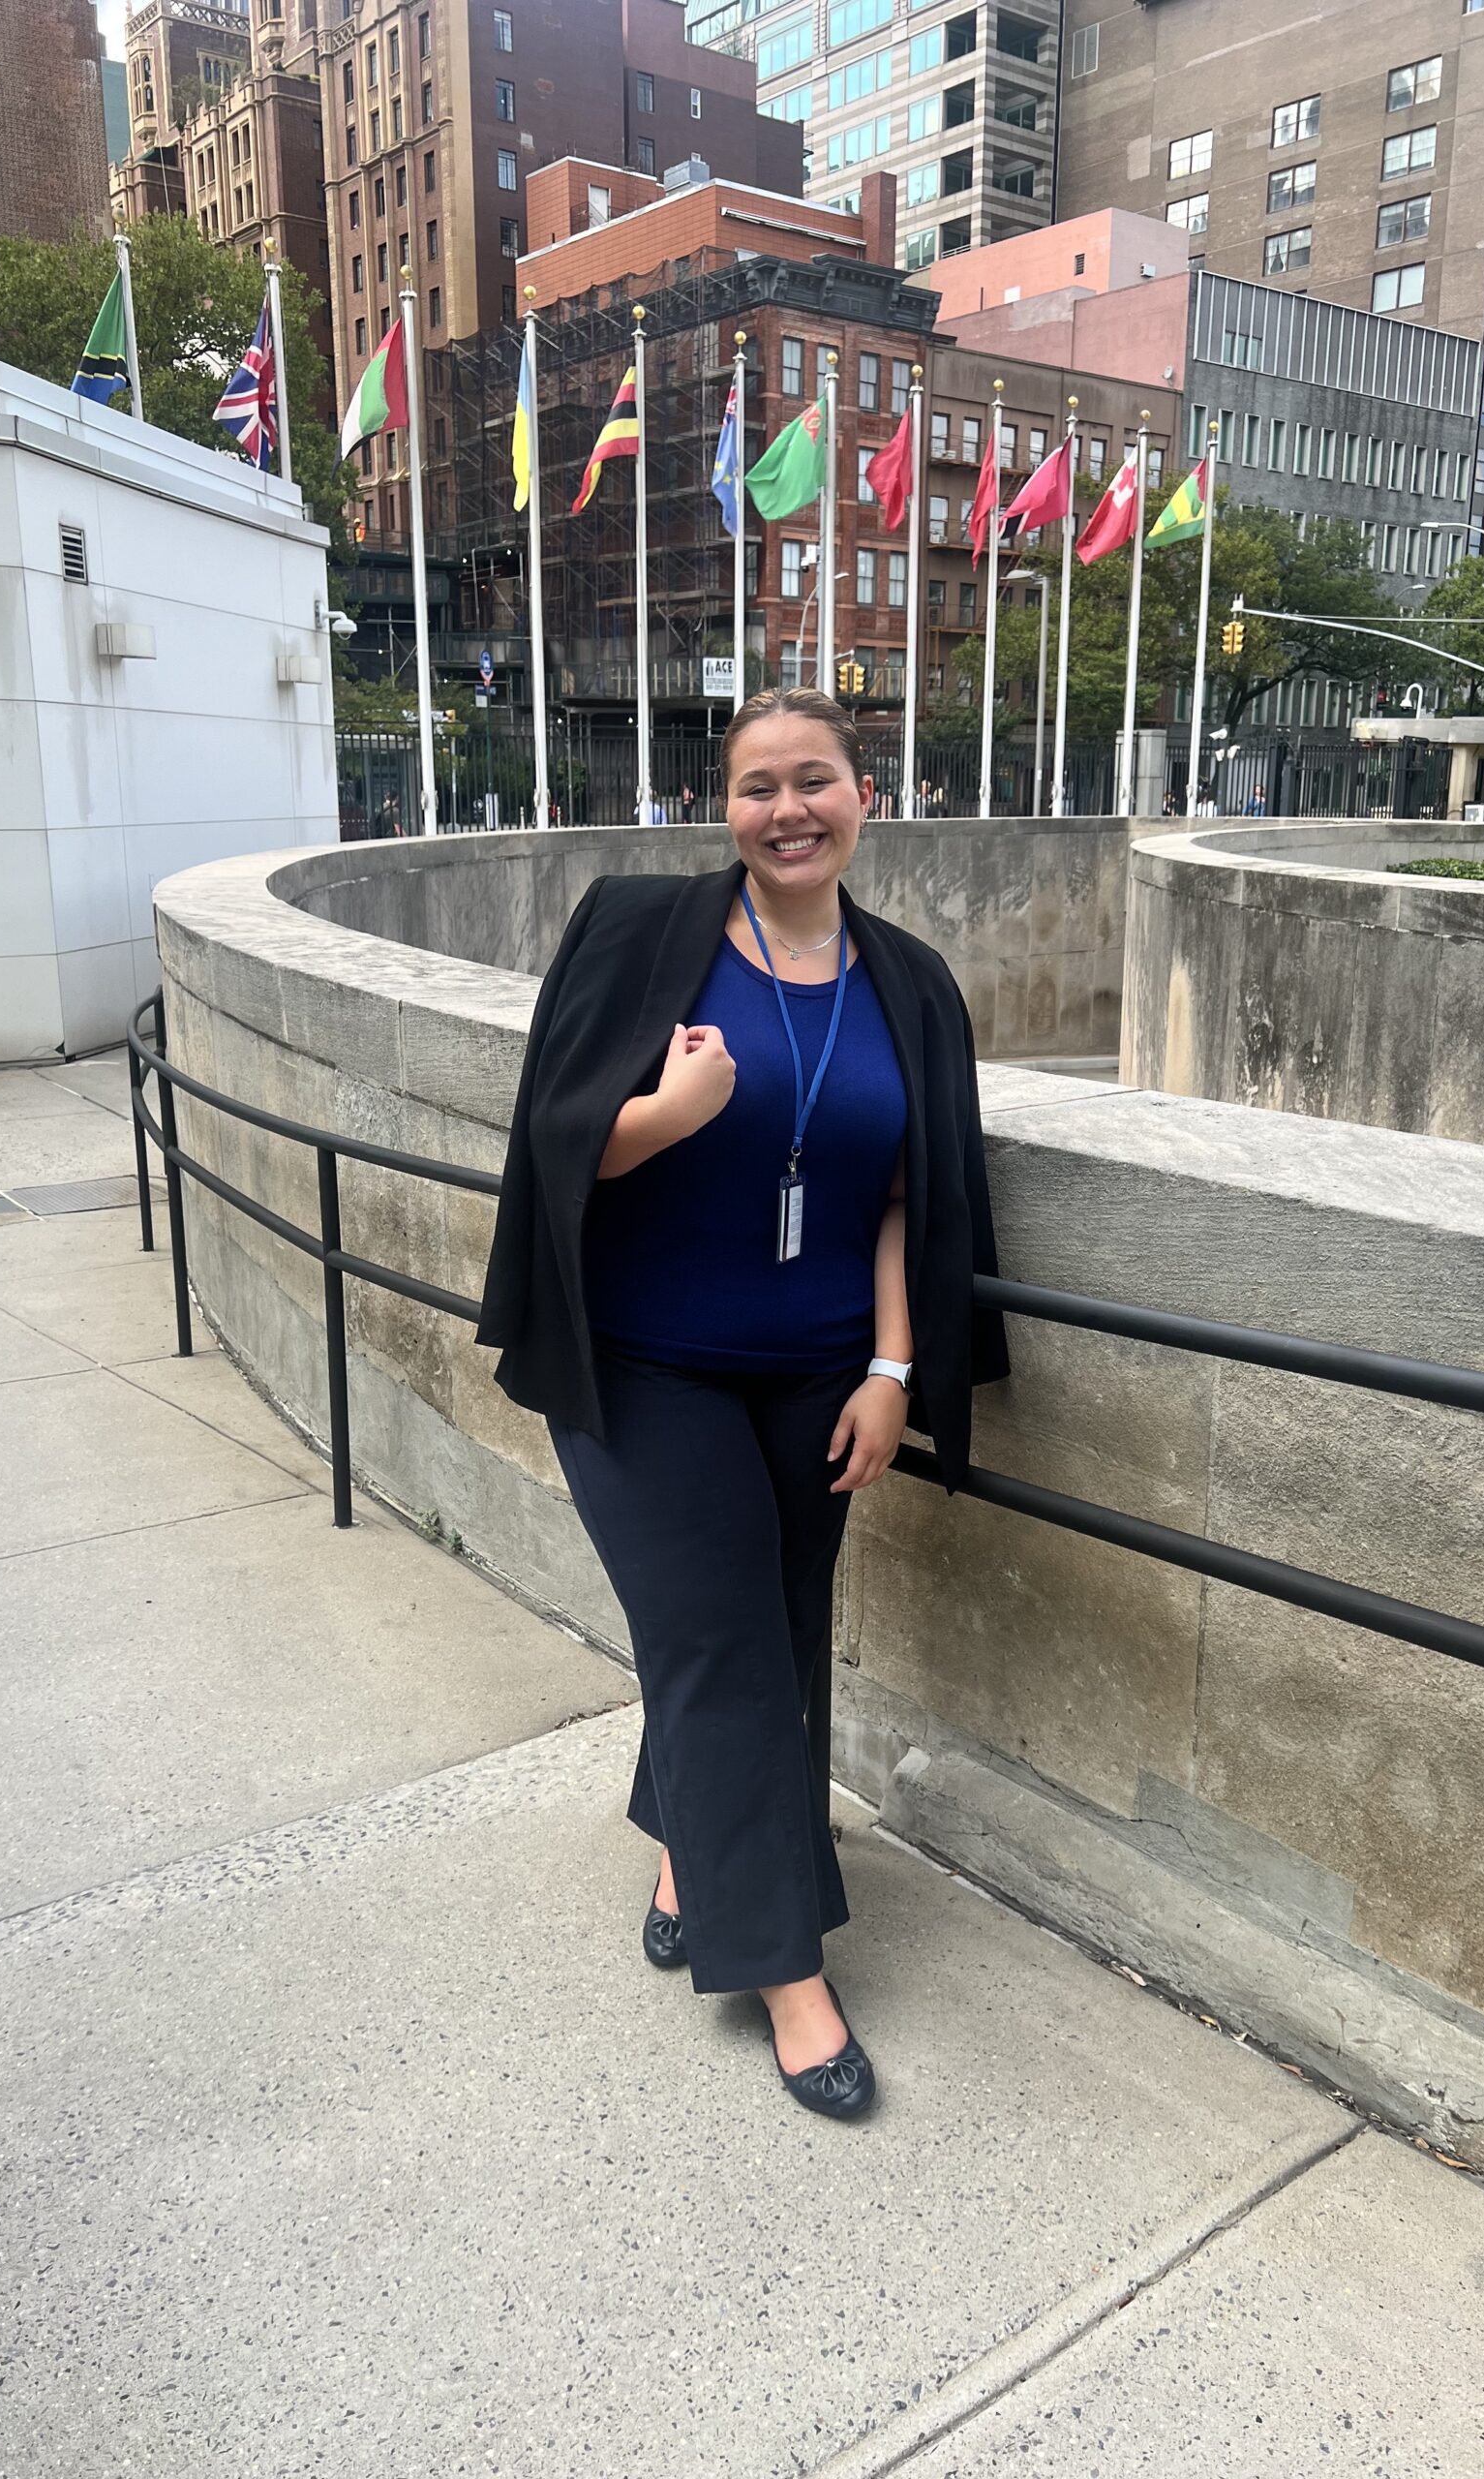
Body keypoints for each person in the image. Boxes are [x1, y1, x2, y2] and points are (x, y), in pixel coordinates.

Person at [476, 687, 1009, 2121]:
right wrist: (668, 1118)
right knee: (718, 1644)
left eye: (815, 780)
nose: (788, 809)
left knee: (768, 1638)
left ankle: (687, 1843)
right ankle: (782, 1969)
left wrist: (895, 1372)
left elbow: (915, 1198)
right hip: (644, 1366)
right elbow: (550, 1147)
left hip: (822, 1378)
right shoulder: (637, 928)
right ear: (726, 807)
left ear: (865, 797)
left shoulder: (910, 982)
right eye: (758, 785)